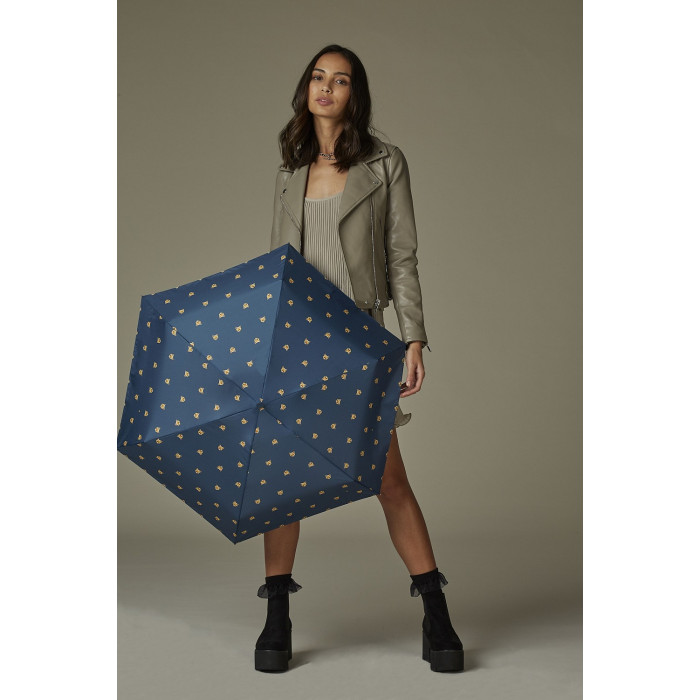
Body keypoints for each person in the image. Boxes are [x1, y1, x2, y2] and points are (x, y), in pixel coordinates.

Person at [256, 44, 463, 673]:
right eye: (318, 77)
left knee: (388, 480)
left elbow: (402, 256)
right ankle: (276, 617)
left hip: (359, 339)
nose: (326, 87)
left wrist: (413, 337)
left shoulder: (384, 163)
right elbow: (275, 267)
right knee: (281, 485)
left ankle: (436, 614)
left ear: (355, 95)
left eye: (340, 80)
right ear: (306, 89)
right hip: (296, 343)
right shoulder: (290, 171)